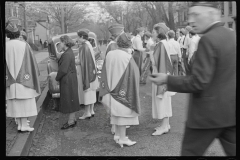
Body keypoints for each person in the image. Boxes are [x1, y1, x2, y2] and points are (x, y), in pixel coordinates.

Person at [149, 2, 236, 156]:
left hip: (206, 116)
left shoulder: (208, 39)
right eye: (190, 15)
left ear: (211, 14)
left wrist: (167, 79)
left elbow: (199, 82)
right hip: (230, 113)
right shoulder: (231, 35)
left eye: (196, 15)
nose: (191, 20)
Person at [99, 32, 141, 147]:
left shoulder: (110, 54)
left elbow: (105, 71)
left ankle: (117, 135)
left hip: (110, 88)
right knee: (122, 115)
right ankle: (122, 138)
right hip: (122, 89)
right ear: (129, 44)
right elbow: (134, 75)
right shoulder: (128, 57)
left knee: (115, 114)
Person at [6, 21, 41, 132]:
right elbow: (32, 63)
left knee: (16, 104)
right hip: (24, 80)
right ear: (18, 34)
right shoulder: (24, 45)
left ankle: (20, 125)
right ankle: (24, 125)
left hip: (10, 81)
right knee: (25, 103)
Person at [150, 23, 176, 136]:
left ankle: (164, 126)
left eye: (153, 32)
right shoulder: (165, 43)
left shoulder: (160, 44)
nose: (152, 34)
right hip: (166, 74)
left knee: (162, 101)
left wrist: (150, 53)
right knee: (166, 100)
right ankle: (166, 124)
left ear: (159, 33)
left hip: (161, 74)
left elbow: (155, 62)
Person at [55, 35, 80, 130]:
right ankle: (72, 119)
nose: (59, 44)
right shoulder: (69, 52)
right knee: (72, 98)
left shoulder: (66, 54)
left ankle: (70, 122)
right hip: (71, 78)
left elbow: (63, 70)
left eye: (60, 42)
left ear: (64, 42)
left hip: (67, 79)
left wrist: (57, 78)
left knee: (69, 99)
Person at [77, 30, 99, 120]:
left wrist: (72, 61)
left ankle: (87, 112)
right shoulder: (89, 45)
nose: (77, 39)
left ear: (82, 37)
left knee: (87, 91)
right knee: (92, 91)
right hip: (92, 72)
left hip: (86, 73)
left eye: (78, 37)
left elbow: (81, 61)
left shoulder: (83, 47)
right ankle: (91, 110)